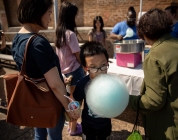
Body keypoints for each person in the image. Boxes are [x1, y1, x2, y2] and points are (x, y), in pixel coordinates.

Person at [128, 8, 178, 140]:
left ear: (144, 32)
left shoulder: (155, 56)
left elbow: (153, 101)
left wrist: (128, 100)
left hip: (172, 130)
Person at [11, 0, 79, 139]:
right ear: (36, 12)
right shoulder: (38, 43)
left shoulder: (17, 38)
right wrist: (69, 108)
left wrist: (60, 78)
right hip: (50, 101)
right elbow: (54, 85)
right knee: (54, 136)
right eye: (48, 13)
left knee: (39, 135)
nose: (50, 18)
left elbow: (32, 70)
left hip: (35, 98)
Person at [55, 1, 84, 136]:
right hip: (75, 71)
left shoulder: (59, 33)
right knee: (76, 102)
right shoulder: (70, 34)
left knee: (70, 101)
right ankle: (73, 129)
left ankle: (72, 125)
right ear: (70, 16)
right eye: (74, 15)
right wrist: (85, 67)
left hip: (65, 73)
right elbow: (78, 55)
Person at [73, 41, 112, 140]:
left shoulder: (112, 83)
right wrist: (74, 109)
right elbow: (77, 99)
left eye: (103, 65)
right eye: (93, 68)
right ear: (86, 68)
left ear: (108, 62)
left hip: (105, 123)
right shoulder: (83, 84)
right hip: (88, 124)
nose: (99, 71)